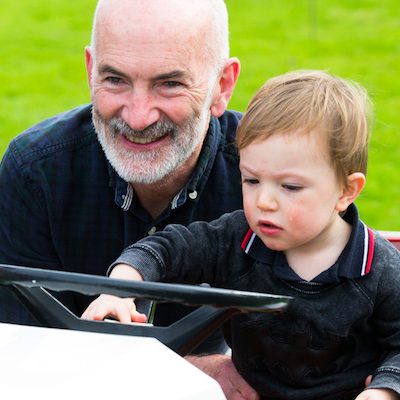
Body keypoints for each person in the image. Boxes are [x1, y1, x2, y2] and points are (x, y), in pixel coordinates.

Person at [83, 70, 400, 400]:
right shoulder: (236, 240)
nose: (264, 202)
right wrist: (121, 288)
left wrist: (385, 390)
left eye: (290, 187)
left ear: (346, 191)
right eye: (251, 180)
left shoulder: (379, 269)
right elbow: (165, 249)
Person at [0, 1, 261, 399]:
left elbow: (326, 338)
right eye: (115, 80)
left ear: (222, 85)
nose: (139, 117)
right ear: (90, 71)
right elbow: (21, 356)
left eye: (169, 84)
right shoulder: (35, 173)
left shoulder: (271, 178)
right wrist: (193, 372)